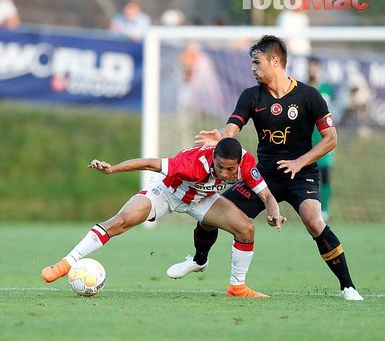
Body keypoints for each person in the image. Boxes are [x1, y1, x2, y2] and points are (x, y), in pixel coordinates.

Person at [167, 35, 364, 301]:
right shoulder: (251, 96)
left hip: (301, 174)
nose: (252, 68)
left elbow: (331, 139)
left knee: (315, 222)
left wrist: (299, 162)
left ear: (275, 61)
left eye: (257, 62)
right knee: (211, 212)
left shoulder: (309, 95)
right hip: (264, 175)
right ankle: (200, 259)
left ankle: (347, 286)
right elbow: (233, 127)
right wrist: (223, 138)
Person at [41, 137, 286, 298]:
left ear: (239, 163)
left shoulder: (246, 163)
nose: (224, 173)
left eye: (230, 169)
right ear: (214, 158)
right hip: (167, 192)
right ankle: (64, 264)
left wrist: (274, 211)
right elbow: (150, 163)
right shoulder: (192, 164)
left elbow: (265, 194)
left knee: (246, 229)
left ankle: (237, 287)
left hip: (203, 199)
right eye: (219, 166)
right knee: (121, 221)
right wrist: (113, 168)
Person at [308, 57, 335, 223]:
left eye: (315, 67)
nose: (312, 70)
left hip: (324, 137)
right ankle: (313, 210)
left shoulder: (326, 89)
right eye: (310, 67)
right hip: (307, 139)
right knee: (310, 177)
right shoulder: (301, 87)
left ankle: (324, 210)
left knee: (325, 175)